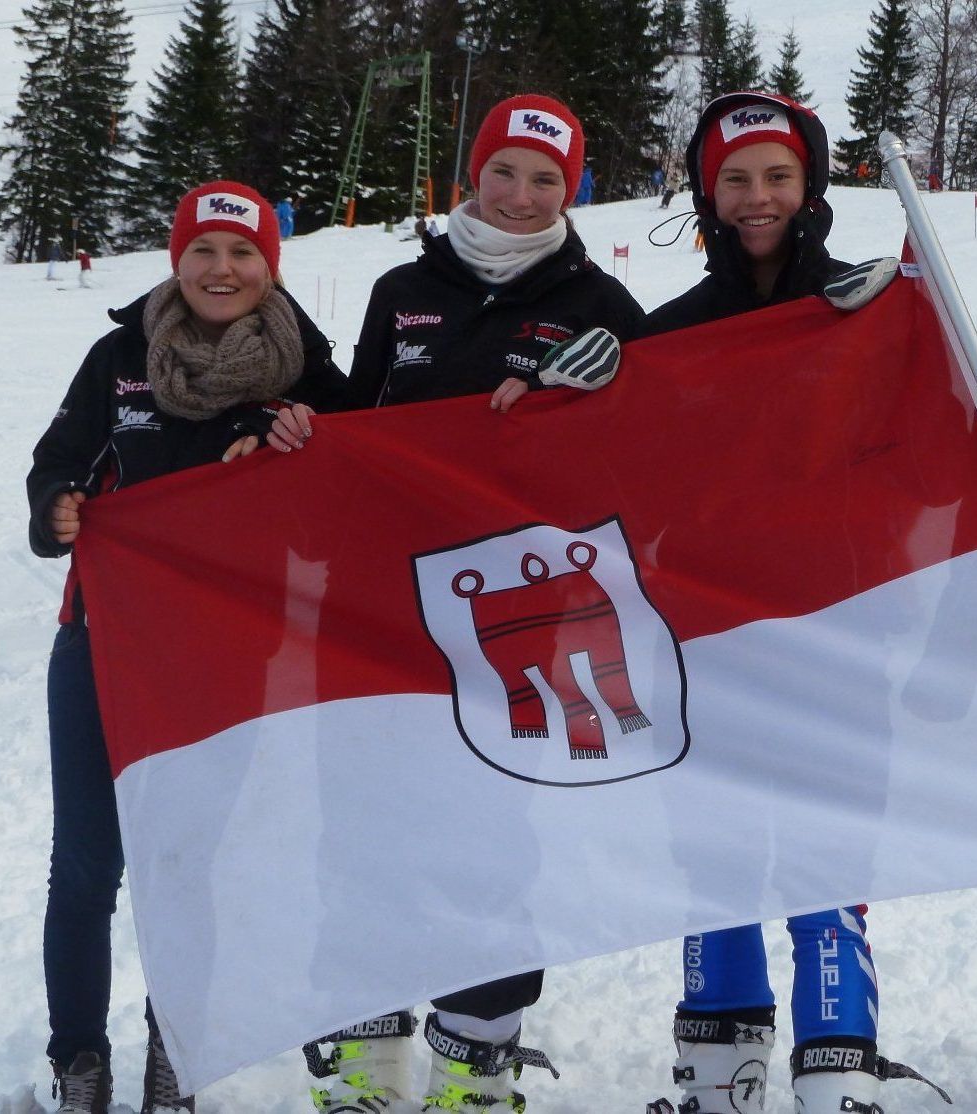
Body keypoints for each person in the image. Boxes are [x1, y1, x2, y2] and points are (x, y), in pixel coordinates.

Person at [270, 94, 644, 1114]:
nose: (521, 197)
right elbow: (361, 427)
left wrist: (614, 392)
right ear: (471, 175)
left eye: (547, 181)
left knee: (489, 825)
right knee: (365, 818)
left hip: (513, 617)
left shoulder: (600, 303)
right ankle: (365, 1045)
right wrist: (310, 425)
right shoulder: (403, 288)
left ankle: (477, 1056)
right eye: (505, 173)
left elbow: (658, 449)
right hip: (380, 598)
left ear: (573, 192)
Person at [639, 93, 948, 1114]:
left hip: (837, 628)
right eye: (736, 179)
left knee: (826, 842)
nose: (758, 197)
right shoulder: (674, 332)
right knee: (714, 847)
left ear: (809, 184)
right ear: (706, 192)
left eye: (776, 176)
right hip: (709, 636)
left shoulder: (862, 310)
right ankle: (717, 1072)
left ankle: (839, 1067)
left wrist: (916, 313)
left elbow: (937, 449)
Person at [25, 179, 346, 1114]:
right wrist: (55, 507)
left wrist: (299, 438)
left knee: (190, 862)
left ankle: (178, 1051)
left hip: (225, 652)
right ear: (176, 258)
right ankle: (78, 1060)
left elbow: (349, 500)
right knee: (87, 863)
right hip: (104, 642)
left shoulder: (309, 370)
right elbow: (56, 459)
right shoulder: (120, 356)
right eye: (203, 249)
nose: (221, 268)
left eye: (242, 252)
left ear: (270, 266)